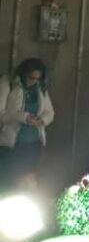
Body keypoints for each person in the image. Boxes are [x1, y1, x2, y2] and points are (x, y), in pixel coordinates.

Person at [0, 58, 55, 192]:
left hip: (33, 144)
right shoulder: (8, 84)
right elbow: (1, 113)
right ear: (23, 73)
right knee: (8, 181)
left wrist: (41, 120)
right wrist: (24, 117)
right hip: (11, 144)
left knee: (28, 181)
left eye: (37, 78)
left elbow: (50, 111)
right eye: (31, 77)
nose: (34, 81)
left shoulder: (40, 88)